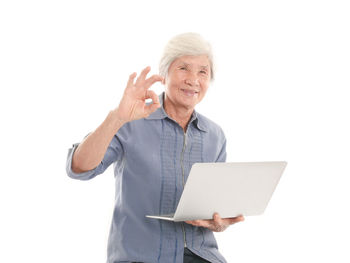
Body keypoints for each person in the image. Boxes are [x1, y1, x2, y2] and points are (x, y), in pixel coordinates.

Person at [66, 32, 244, 263]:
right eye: (183, 68)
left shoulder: (215, 135)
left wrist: (219, 221)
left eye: (203, 71)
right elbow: (79, 168)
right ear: (164, 74)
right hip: (142, 257)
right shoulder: (129, 123)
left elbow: (213, 203)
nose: (193, 79)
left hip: (202, 256)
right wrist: (117, 118)